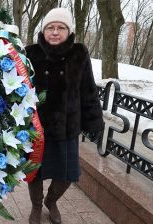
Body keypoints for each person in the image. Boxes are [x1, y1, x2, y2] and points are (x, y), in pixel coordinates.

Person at [24, 8, 104, 224]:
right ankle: (36, 206)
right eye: (51, 27)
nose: (55, 32)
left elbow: (88, 88)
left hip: (68, 127)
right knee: (36, 173)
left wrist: (94, 121)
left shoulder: (79, 53)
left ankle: (51, 201)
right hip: (36, 129)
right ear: (43, 30)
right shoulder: (30, 53)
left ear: (69, 31)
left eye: (61, 28)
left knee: (67, 174)